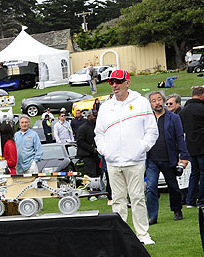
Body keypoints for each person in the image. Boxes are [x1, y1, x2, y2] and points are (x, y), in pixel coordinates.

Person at [94, 69, 158, 245]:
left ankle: (143, 235)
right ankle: (121, 235)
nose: (114, 85)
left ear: (127, 82)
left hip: (135, 160)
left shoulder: (141, 103)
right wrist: (105, 150)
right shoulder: (106, 107)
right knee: (118, 200)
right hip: (113, 161)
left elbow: (152, 130)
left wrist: (141, 148)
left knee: (137, 197)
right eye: (112, 82)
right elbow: (98, 133)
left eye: (118, 81)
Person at [145, 91, 189, 224]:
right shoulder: (147, 119)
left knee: (173, 186)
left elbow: (180, 137)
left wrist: (184, 155)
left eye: (159, 99)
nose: (157, 102)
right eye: (154, 100)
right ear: (150, 104)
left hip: (168, 158)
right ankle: (152, 216)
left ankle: (177, 209)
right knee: (151, 187)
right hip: (152, 159)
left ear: (163, 101)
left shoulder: (174, 118)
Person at [181, 85, 204, 207]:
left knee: (194, 173)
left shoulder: (184, 110)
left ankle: (190, 200)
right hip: (202, 146)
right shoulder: (201, 108)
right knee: (203, 172)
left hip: (190, 146)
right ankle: (201, 200)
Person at [74, 110, 100, 177]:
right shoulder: (83, 128)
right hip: (87, 155)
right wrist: (92, 149)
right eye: (94, 116)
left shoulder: (97, 127)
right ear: (89, 116)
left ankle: (99, 187)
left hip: (96, 155)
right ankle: (93, 187)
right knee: (92, 175)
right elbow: (80, 142)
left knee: (99, 174)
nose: (96, 118)